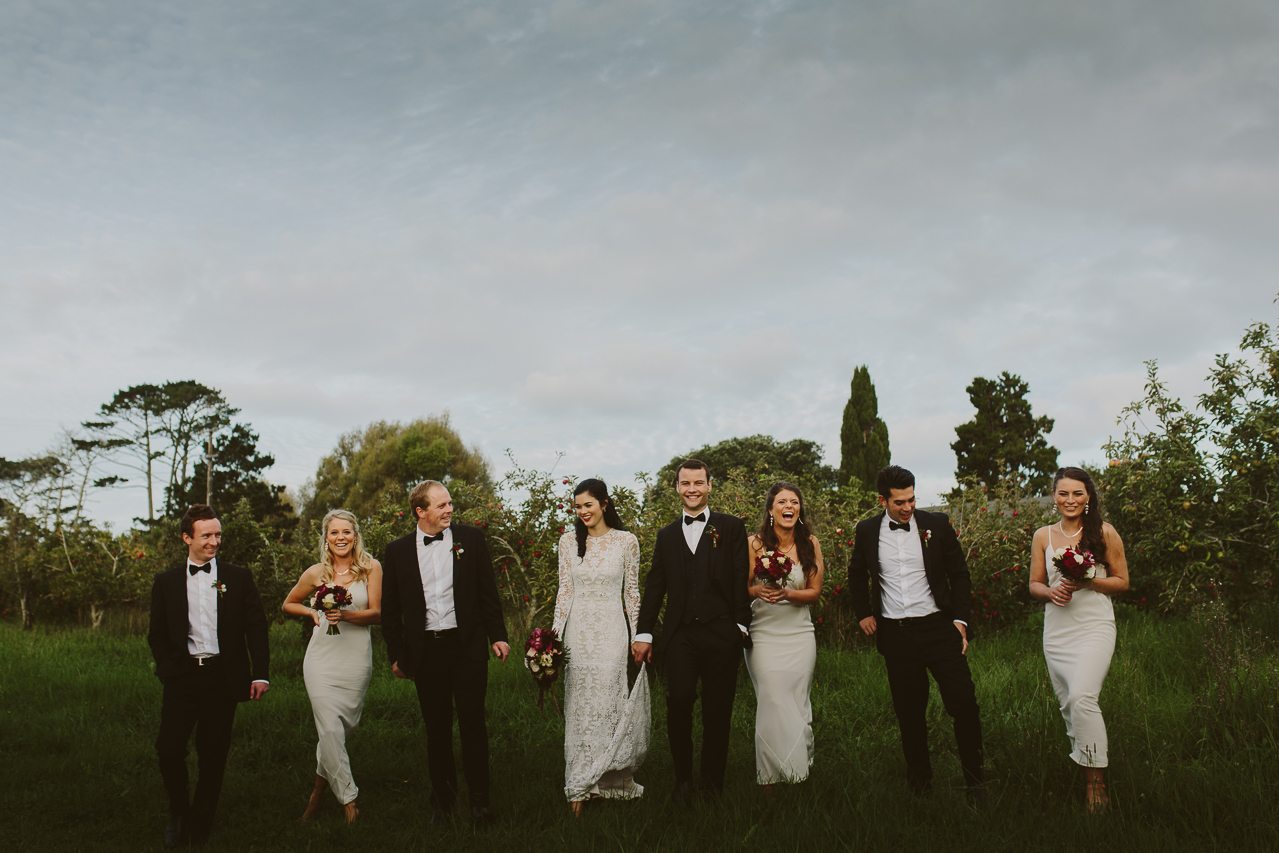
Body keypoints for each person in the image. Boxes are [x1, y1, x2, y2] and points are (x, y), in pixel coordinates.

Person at [849, 465, 984, 797]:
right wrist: (863, 613)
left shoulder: (936, 525)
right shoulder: (867, 531)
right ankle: (920, 786)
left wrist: (960, 620)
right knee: (909, 713)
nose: (908, 507)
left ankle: (976, 781)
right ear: (882, 500)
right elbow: (857, 574)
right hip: (897, 634)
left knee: (964, 703)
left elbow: (960, 574)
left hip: (939, 628)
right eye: (899, 502)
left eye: (911, 500)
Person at [380, 480, 510, 825]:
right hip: (426, 651)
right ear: (420, 512)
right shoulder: (397, 551)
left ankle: (480, 802)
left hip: (467, 646)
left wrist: (498, 636)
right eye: (441, 505)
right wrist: (396, 655)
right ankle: (443, 802)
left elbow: (488, 593)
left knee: (473, 724)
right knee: (436, 728)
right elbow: (390, 610)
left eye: (450, 503)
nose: (450, 509)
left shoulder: (472, 540)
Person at [148, 504, 270, 848]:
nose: (215, 541)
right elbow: (156, 634)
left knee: (213, 753)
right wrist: (168, 670)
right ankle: (179, 812)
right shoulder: (166, 582)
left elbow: (256, 627)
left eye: (218, 534)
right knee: (169, 749)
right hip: (183, 678)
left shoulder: (238, 577)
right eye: (207, 536)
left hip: (222, 677)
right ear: (186, 538)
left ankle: (200, 823)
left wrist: (260, 673)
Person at [633, 459, 751, 803]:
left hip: (721, 632)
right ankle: (682, 780)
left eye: (699, 483)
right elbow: (655, 585)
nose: (692, 489)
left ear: (710, 486)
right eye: (686, 483)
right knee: (679, 702)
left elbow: (740, 575)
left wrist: (740, 625)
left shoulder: (731, 527)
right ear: (677, 488)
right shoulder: (666, 535)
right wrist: (644, 633)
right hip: (680, 635)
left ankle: (712, 784)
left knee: (718, 709)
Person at [1028, 466, 1129, 812]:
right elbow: (1034, 583)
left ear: (1088, 498)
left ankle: (1096, 786)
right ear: (1054, 497)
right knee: (1069, 704)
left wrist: (1090, 581)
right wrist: (1050, 592)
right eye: (1063, 493)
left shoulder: (1104, 532)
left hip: (1094, 626)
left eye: (1077, 493)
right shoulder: (1043, 535)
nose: (1070, 500)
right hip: (1057, 632)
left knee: (1082, 696)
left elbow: (1122, 582)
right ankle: (1086, 758)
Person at [552, 478, 650, 815]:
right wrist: (551, 641)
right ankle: (580, 783)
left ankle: (609, 777)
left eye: (588, 505)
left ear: (604, 504)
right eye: (577, 507)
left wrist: (638, 636)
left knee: (609, 702)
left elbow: (632, 594)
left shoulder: (626, 541)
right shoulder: (568, 542)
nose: (583, 512)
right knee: (580, 707)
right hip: (578, 635)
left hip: (611, 634)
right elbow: (564, 592)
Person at [281, 509, 383, 824]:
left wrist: (346, 615)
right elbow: (288, 603)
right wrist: (312, 613)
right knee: (328, 728)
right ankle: (349, 800)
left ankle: (316, 794)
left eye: (346, 532)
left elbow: (378, 613)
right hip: (321, 660)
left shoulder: (371, 567)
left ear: (355, 536)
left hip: (355, 660)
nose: (341, 538)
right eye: (335, 532)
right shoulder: (316, 573)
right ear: (326, 538)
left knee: (339, 730)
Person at [744, 482, 824, 787]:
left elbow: (814, 592)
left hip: (799, 633)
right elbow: (741, 587)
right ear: (771, 509)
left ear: (799, 510)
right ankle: (769, 778)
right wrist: (757, 591)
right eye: (782, 502)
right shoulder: (754, 544)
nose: (789, 506)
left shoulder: (810, 544)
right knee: (772, 699)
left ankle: (798, 770)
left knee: (797, 701)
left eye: (794, 502)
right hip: (763, 632)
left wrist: (788, 593)